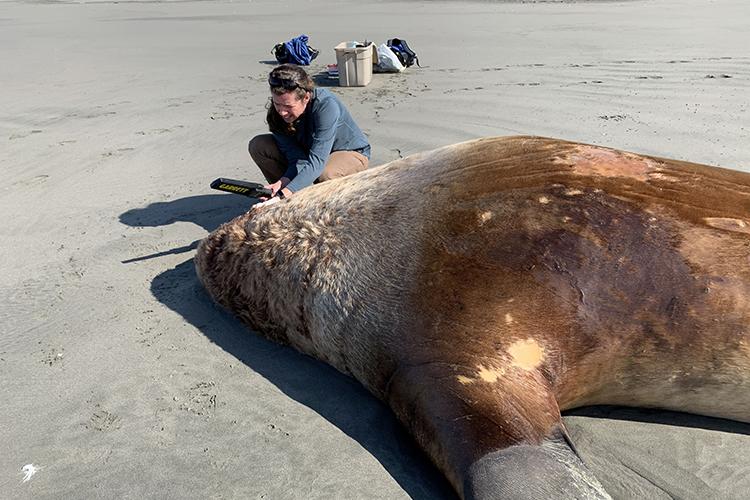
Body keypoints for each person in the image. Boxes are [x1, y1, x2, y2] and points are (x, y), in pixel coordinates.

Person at [248, 64, 370, 201]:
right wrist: (282, 183)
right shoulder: (277, 115)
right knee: (259, 145)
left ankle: (336, 203)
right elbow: (297, 159)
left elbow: (317, 160)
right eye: (277, 104)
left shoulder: (326, 105)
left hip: (349, 152)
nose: (282, 112)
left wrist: (284, 194)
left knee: (325, 174)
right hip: (309, 154)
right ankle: (292, 199)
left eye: (288, 106)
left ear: (306, 97)